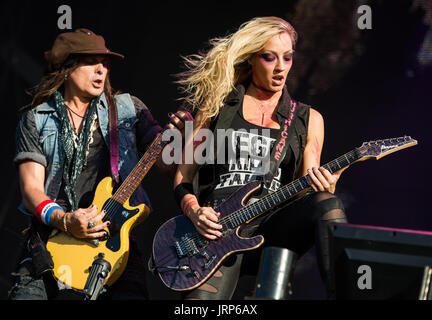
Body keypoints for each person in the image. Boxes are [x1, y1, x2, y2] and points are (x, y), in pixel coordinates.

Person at [171, 16, 348, 299]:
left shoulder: (307, 118)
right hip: (220, 231)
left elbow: (307, 184)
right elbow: (184, 175)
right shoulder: (219, 105)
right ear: (252, 59)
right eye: (269, 58)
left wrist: (325, 187)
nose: (280, 68)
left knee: (328, 204)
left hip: (273, 228)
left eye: (287, 58)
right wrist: (195, 212)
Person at [8, 28, 188, 300]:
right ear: (67, 68)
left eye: (105, 64)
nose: (101, 70)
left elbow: (165, 165)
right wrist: (67, 221)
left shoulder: (129, 109)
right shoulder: (37, 120)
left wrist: (180, 141)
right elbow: (32, 190)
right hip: (49, 246)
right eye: (92, 62)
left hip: (115, 246)